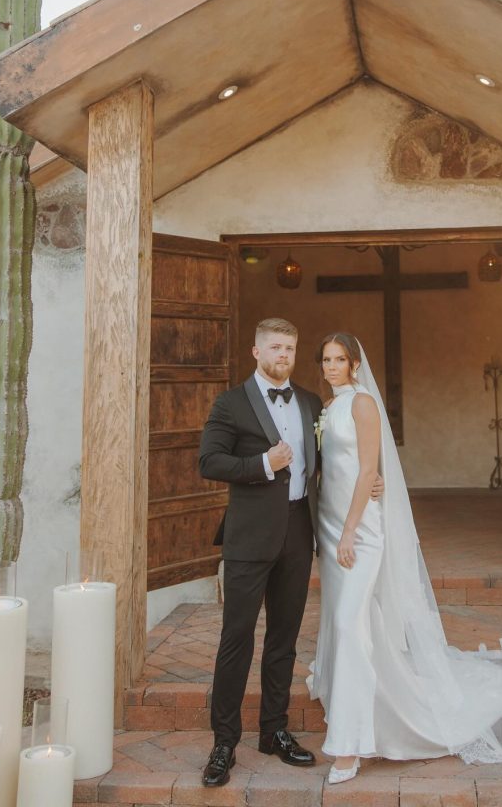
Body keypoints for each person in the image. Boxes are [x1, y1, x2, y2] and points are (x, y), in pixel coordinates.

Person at [308, 333, 502, 785]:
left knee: (349, 624)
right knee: (352, 626)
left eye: (340, 359)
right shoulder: (331, 406)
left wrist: (353, 528)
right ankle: (355, 701)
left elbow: (368, 471)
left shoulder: (360, 404)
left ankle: (349, 745)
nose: (332, 366)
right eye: (326, 360)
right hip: (330, 524)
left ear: (356, 364)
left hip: (359, 532)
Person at [197, 318, 383, 787]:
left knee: (283, 639)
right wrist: (263, 463)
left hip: (300, 535)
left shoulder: (310, 402)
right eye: (276, 348)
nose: (284, 355)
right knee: (236, 639)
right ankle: (224, 742)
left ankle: (274, 731)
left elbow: (334, 465)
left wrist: (371, 480)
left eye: (291, 349)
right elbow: (209, 460)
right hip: (248, 539)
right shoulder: (230, 402)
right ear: (256, 352)